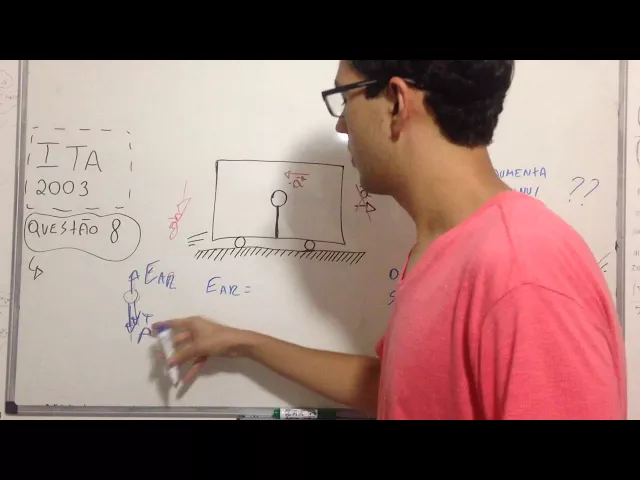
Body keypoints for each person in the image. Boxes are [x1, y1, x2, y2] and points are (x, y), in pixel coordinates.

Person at [152, 60, 627, 420]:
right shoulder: (444, 247)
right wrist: (244, 343)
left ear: (397, 102)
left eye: (345, 98)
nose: (341, 124)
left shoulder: (524, 271)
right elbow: (401, 387)